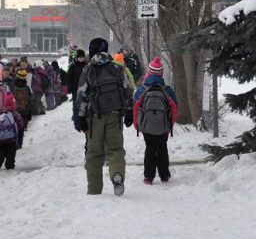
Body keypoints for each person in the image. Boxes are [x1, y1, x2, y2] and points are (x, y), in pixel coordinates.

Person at [76, 38, 134, 196]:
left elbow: (82, 94)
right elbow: (128, 90)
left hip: (94, 117)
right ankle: (117, 174)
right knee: (115, 149)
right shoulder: (117, 67)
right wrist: (129, 111)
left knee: (94, 154)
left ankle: (94, 191)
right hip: (115, 114)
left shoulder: (88, 70)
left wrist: (81, 117)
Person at [133, 57, 179, 185]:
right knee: (162, 148)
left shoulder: (141, 90)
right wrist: (170, 125)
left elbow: (136, 109)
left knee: (150, 149)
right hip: (163, 127)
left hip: (147, 127)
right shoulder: (168, 91)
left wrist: (138, 125)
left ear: (149, 72)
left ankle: (148, 177)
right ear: (161, 73)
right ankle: (164, 175)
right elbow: (175, 109)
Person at [0, 92, 23, 170]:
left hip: (0, 137)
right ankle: (9, 165)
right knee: (11, 152)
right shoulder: (14, 113)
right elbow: (20, 123)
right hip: (12, 138)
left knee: (0, 150)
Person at [67, 49, 87, 131]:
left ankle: (84, 123)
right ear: (77, 57)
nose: (81, 59)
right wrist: (70, 88)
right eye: (80, 57)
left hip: (85, 90)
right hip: (75, 90)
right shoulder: (73, 66)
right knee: (76, 107)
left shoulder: (87, 66)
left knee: (84, 108)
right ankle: (77, 124)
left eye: (82, 57)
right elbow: (69, 78)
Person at [12, 68, 32, 148]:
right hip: (23, 111)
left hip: (13, 110)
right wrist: (29, 113)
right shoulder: (26, 88)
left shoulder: (13, 87)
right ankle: (19, 144)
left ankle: (13, 143)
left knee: (13, 127)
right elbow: (30, 101)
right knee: (21, 128)